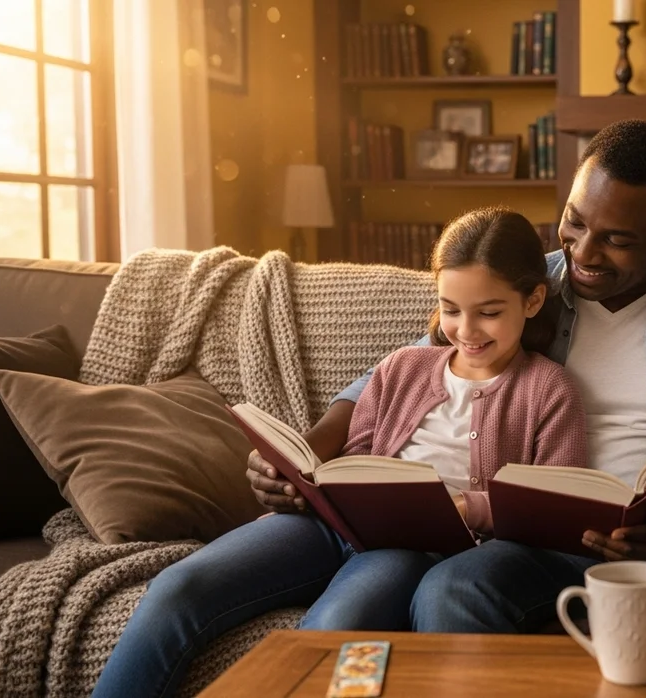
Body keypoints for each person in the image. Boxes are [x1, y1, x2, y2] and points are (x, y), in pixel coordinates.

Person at [253, 119, 646, 641]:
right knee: (452, 587)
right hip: (545, 541)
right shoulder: (526, 287)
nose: (583, 252)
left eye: (617, 239)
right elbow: (397, 378)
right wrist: (302, 457)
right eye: (575, 222)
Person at [92, 208, 588, 698]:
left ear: (532, 300)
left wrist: (468, 508)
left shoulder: (549, 390)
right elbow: (358, 454)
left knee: (334, 628)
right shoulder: (403, 367)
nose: (466, 329)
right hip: (330, 527)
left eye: (489, 312)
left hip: (414, 549)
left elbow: (550, 503)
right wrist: (303, 477)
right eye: (452, 309)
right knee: (178, 588)